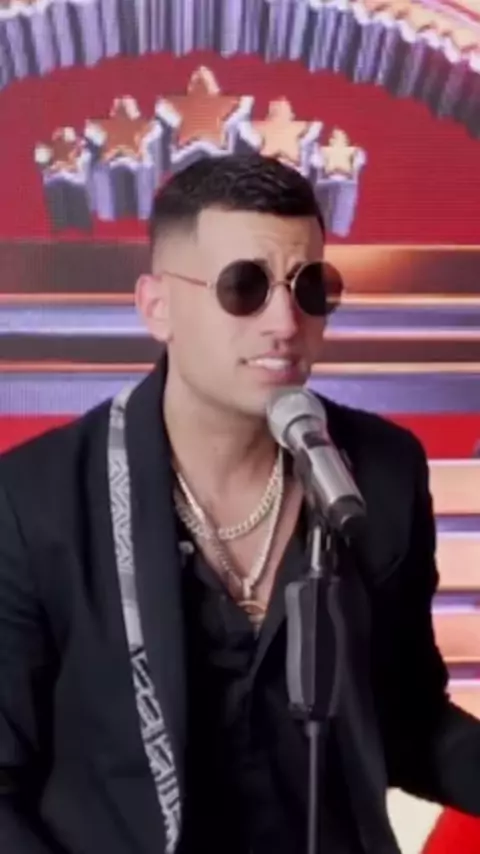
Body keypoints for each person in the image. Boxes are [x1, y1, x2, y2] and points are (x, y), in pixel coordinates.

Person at [0, 153, 479, 854]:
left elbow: (404, 717)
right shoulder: (34, 500)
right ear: (156, 306)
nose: (285, 322)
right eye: (243, 286)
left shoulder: (381, 472)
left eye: (310, 286)